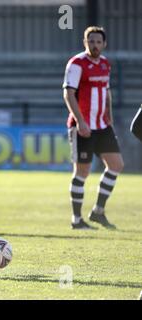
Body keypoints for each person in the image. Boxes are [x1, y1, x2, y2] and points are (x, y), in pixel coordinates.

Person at [63, 26, 124, 230]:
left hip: (102, 125)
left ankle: (98, 211)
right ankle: (76, 219)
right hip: (83, 126)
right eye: (91, 41)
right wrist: (80, 121)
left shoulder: (105, 64)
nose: (95, 45)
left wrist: (110, 118)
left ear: (104, 44)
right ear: (85, 42)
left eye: (98, 42)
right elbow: (69, 94)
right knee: (82, 172)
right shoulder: (76, 64)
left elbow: (106, 93)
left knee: (116, 165)